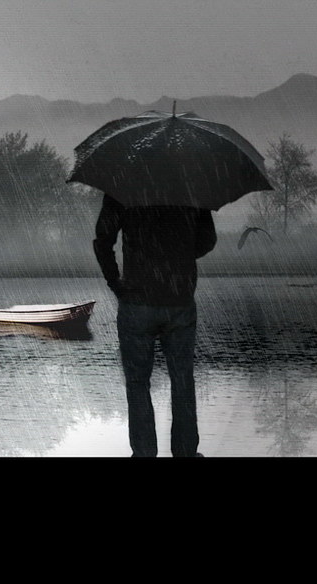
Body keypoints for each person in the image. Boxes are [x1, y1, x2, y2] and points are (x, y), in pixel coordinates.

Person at [92, 192, 216, 458]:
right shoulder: (190, 184)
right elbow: (208, 241)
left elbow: (102, 241)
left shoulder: (122, 185)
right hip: (178, 300)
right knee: (182, 380)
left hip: (137, 301)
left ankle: (144, 452)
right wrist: (178, 253)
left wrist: (115, 282)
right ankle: (185, 453)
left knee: (137, 383)